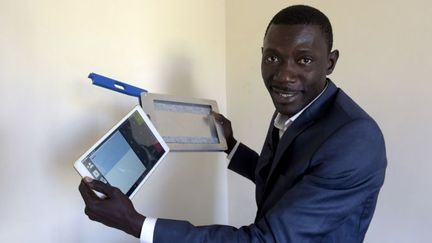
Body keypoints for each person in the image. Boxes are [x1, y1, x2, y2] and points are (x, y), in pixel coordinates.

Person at [79, 5, 387, 242]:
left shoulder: (354, 139)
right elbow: (285, 178)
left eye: (303, 60)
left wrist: (136, 224)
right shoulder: (296, 105)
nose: (283, 75)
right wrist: (232, 147)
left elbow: (266, 239)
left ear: (330, 62)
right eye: (272, 58)